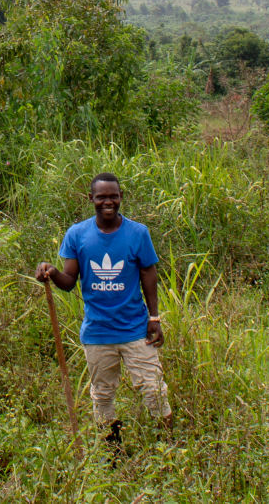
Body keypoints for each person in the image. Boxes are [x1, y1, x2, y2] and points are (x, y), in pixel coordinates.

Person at [35, 171, 173, 456]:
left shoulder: (138, 233)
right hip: (98, 333)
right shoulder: (77, 235)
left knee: (154, 391)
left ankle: (167, 454)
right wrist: (51, 271)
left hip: (135, 329)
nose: (108, 202)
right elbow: (69, 282)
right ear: (91, 199)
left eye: (113, 196)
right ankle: (113, 453)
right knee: (103, 396)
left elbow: (148, 271)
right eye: (101, 197)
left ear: (121, 198)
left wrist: (154, 318)